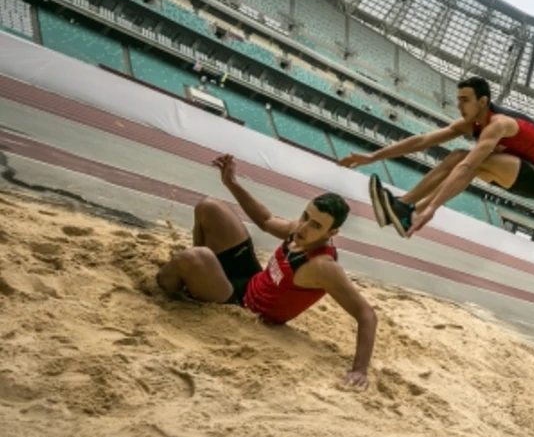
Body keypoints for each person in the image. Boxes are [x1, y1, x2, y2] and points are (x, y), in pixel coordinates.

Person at [156, 155, 377, 387]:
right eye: (305, 216)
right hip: (250, 280)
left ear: (331, 234)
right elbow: (266, 219)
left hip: (243, 309)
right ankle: (194, 279)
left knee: (194, 259)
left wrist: (360, 370)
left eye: (316, 226)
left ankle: (169, 286)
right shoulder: (298, 230)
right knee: (208, 206)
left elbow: (367, 315)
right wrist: (231, 183)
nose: (303, 227)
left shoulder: (323, 268)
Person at [339, 76, 534, 238]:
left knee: (468, 160)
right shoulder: (472, 123)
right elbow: (423, 141)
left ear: (482, 102)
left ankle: (408, 207)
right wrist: (373, 156)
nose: (459, 106)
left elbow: (466, 168)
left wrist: (433, 208)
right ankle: (405, 208)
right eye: (458, 100)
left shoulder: (498, 124)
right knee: (458, 156)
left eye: (465, 100)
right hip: (517, 167)